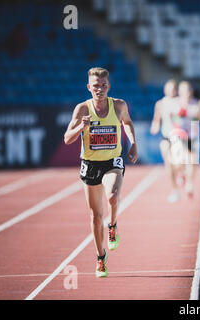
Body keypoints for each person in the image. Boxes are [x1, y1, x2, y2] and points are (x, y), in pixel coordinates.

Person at [64, 67, 138, 278]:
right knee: (96, 216)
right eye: (96, 86)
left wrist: (133, 143)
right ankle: (100, 256)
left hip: (112, 161)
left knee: (113, 196)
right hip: (90, 164)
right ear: (89, 87)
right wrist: (80, 127)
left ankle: (113, 224)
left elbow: (128, 123)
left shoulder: (119, 105)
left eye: (104, 85)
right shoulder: (82, 110)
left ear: (109, 86)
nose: (100, 89)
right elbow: (67, 138)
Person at [150, 79, 182, 203]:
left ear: (176, 90)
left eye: (173, 88)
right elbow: (156, 118)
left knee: (178, 164)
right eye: (168, 88)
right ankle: (174, 190)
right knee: (168, 164)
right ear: (165, 90)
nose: (171, 91)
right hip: (166, 137)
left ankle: (181, 173)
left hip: (178, 137)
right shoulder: (160, 103)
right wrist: (155, 126)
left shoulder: (180, 102)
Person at [172, 81, 200, 198]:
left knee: (192, 161)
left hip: (191, 136)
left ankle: (190, 184)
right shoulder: (175, 103)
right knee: (178, 163)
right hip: (179, 135)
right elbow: (172, 117)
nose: (187, 93)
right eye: (184, 90)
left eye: (188, 90)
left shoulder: (195, 104)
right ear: (180, 92)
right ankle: (181, 173)